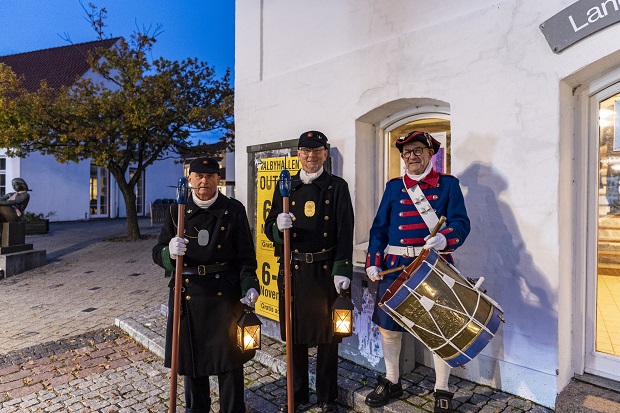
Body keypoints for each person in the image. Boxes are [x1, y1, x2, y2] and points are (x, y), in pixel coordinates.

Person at [364, 131, 470, 413]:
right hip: (395, 267)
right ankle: (392, 380)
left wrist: (445, 238)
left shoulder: (448, 185)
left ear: (430, 153)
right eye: (407, 152)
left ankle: (442, 388)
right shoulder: (394, 187)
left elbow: (461, 223)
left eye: (418, 151)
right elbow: (379, 229)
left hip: (434, 266)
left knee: (439, 327)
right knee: (389, 326)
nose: (412, 157)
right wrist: (374, 261)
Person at [152, 157, 260, 413]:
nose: (204, 181)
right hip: (189, 294)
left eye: (210, 176)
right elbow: (157, 253)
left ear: (218, 179)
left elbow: (246, 255)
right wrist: (169, 253)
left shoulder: (233, 209)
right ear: (189, 179)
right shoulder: (175, 211)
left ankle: (233, 410)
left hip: (225, 294)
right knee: (193, 362)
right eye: (199, 176)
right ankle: (196, 410)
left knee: (231, 361)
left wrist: (250, 285)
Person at [265, 131, 354, 413]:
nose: (311, 156)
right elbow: (268, 229)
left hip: (327, 272)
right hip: (294, 271)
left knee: (329, 339)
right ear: (298, 154)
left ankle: (327, 397)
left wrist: (342, 269)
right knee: (295, 337)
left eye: (317, 151)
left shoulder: (337, 186)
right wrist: (278, 228)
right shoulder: (285, 185)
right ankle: (298, 394)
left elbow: (345, 230)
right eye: (305, 151)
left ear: (325, 154)